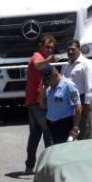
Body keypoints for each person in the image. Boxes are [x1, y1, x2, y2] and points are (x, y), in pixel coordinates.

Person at [24, 35, 58, 174]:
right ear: (41, 46)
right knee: (48, 132)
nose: (49, 50)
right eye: (47, 47)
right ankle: (49, 167)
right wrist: (49, 60)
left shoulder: (41, 58)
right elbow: (37, 65)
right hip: (37, 102)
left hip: (33, 101)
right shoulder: (37, 56)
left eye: (51, 48)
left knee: (35, 134)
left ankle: (29, 166)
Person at [39, 64, 82, 144]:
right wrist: (44, 88)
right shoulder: (49, 88)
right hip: (50, 125)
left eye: (48, 79)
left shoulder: (69, 86)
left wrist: (75, 127)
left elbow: (78, 107)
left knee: (64, 152)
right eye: (44, 79)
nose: (46, 81)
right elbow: (42, 105)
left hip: (64, 125)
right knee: (51, 151)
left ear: (55, 75)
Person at [64, 39, 92, 140]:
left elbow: (89, 85)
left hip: (82, 100)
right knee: (72, 131)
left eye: (73, 49)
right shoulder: (66, 65)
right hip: (69, 102)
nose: (70, 52)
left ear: (79, 49)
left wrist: (87, 103)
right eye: (68, 50)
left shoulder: (86, 63)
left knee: (84, 130)